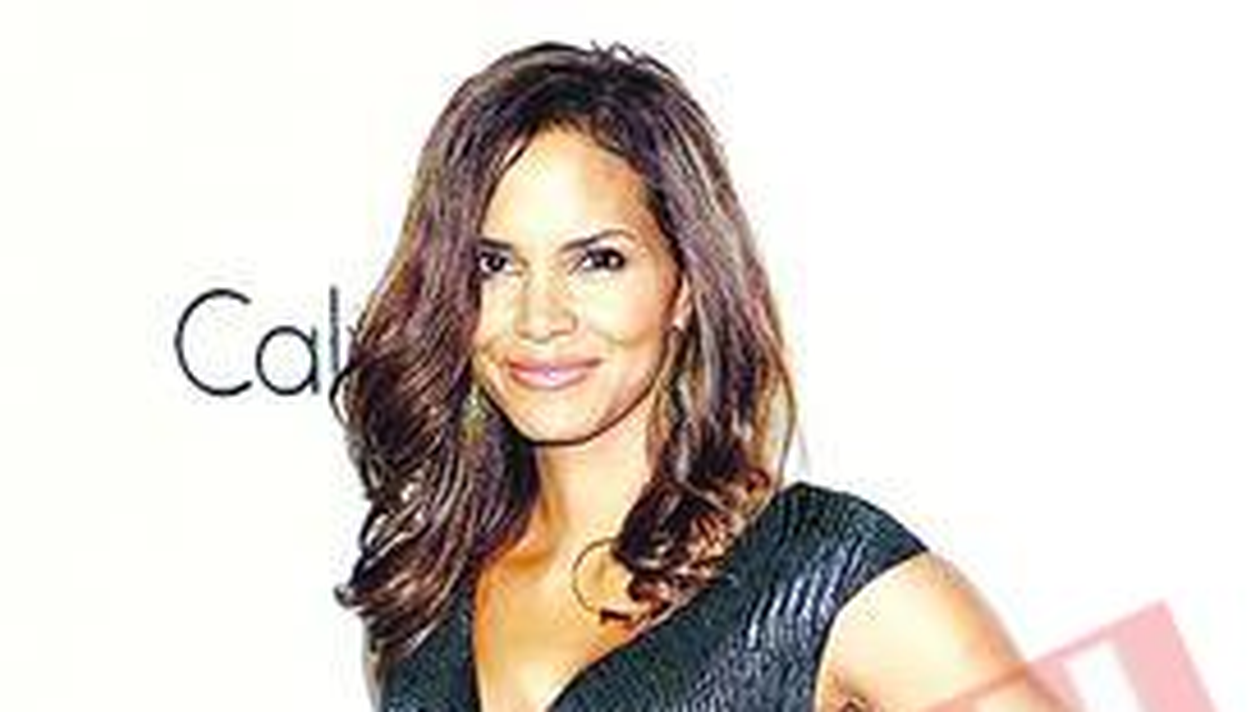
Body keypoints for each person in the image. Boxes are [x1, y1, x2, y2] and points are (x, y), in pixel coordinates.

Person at [334, 41, 1065, 711]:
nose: (540, 318)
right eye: (494, 264)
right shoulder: (423, 592)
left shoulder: (820, 577)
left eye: (598, 261)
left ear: (684, 283)